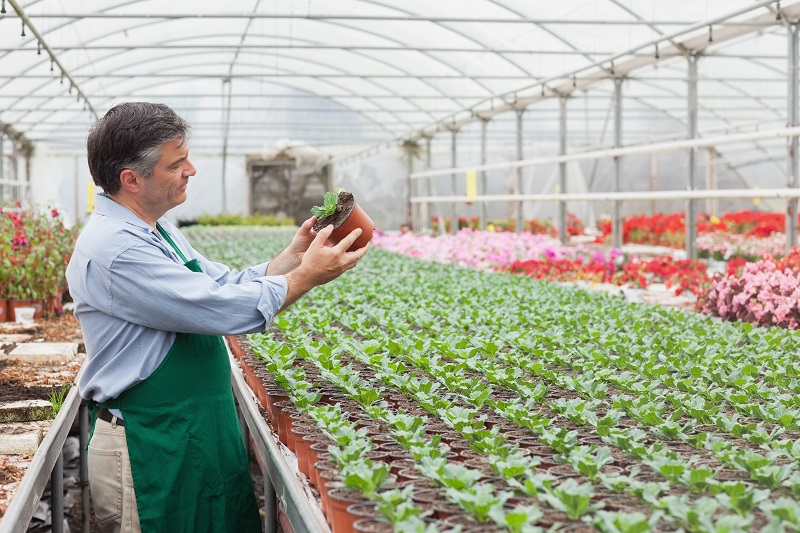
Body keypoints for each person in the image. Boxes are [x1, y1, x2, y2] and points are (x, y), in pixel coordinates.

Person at [65, 102, 368, 533]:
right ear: (131, 180)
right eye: (177, 163)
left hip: (191, 437)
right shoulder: (118, 248)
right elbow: (222, 308)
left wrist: (293, 256)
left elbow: (224, 284)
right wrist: (307, 277)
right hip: (152, 446)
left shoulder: (156, 229)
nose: (192, 169)